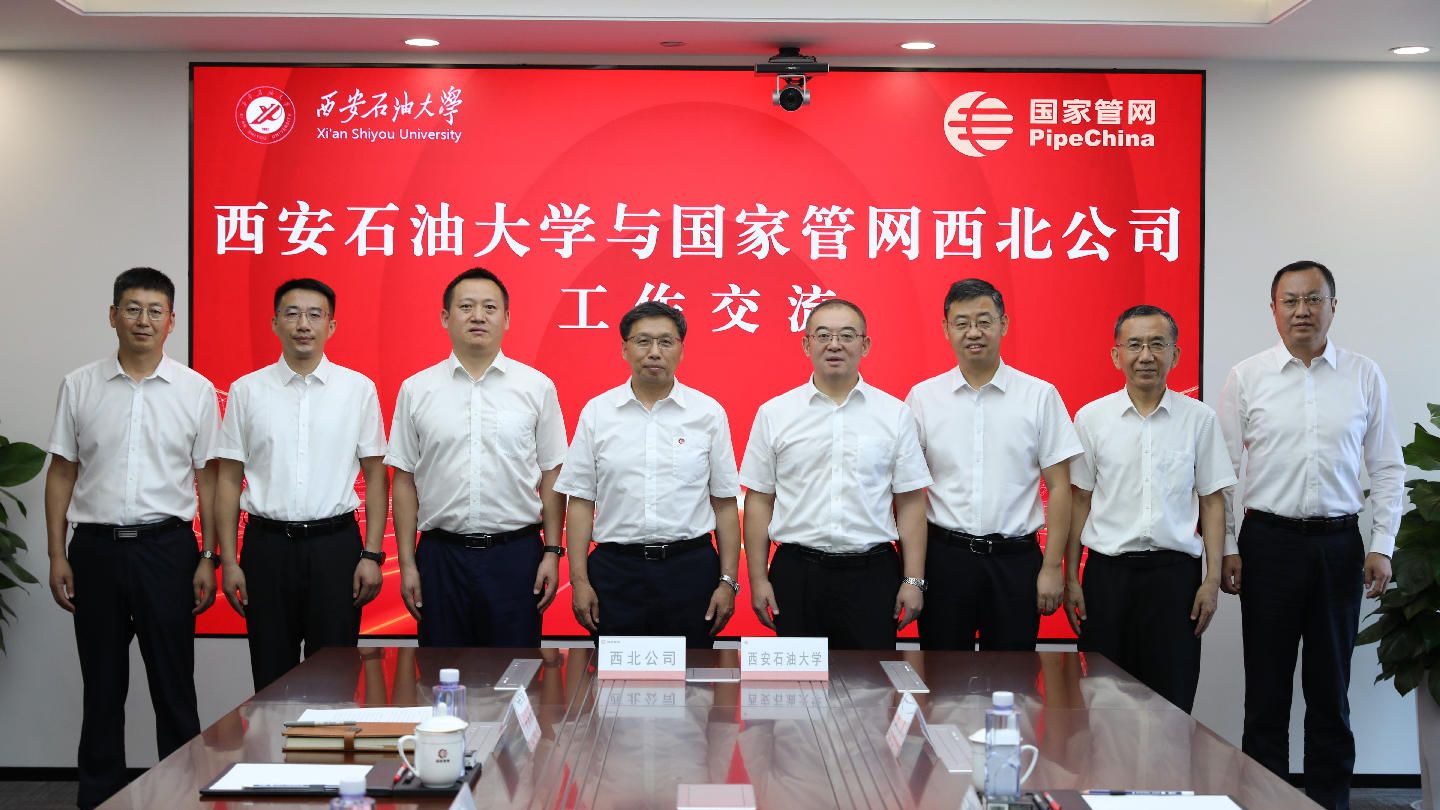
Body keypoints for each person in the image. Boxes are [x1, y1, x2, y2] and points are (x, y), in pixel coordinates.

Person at [1218, 260, 1403, 810]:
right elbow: (1223, 473)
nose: (1303, 310)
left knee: (1330, 691)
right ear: (1273, 310)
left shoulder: (1364, 375)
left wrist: (1381, 544)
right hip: (1267, 545)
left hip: (1338, 547)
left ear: (1333, 307)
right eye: (1291, 300)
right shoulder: (1247, 377)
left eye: (1313, 299)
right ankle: (1264, 800)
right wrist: (1228, 545)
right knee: (1266, 692)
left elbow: (1387, 467)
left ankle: (1329, 801)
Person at [43, 267, 220, 810]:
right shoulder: (79, 385)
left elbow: (209, 479)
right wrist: (56, 553)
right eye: (133, 308)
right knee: (101, 685)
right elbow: (62, 472)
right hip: (94, 551)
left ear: (172, 321)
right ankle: (99, 796)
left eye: (154, 311)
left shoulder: (195, 390)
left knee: (174, 684)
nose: (143, 320)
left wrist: (209, 555)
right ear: (113, 315)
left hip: (167, 550)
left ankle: (182, 794)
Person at [214, 278, 389, 692]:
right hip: (266, 550)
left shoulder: (358, 389)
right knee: (270, 680)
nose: (303, 324)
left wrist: (372, 554)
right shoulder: (247, 391)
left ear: (331, 325)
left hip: (335, 550)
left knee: (334, 681)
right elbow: (228, 479)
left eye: (314, 315)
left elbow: (376, 475)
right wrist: (230, 561)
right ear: (275, 323)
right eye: (292, 314)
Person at [1065, 305, 1236, 712]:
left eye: (1157, 345)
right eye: (1135, 345)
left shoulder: (1199, 420)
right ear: (1116, 355)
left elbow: (1212, 502)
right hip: (1108, 579)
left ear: (1175, 355)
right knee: (1103, 705)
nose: (1146, 356)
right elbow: (1079, 500)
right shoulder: (1091, 419)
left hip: (1174, 581)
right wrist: (1070, 577)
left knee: (1171, 703)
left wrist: (1211, 581)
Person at [384, 267, 567, 646]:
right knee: (441, 672)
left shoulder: (537, 387)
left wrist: (552, 552)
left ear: (507, 319)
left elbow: (552, 474)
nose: (478, 316)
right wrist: (407, 564)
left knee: (516, 674)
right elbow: (404, 480)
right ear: (445, 317)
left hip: (516, 556)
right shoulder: (417, 389)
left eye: (489, 307)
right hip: (440, 557)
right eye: (466, 307)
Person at [741, 299, 931, 650]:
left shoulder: (894, 414)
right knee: (799, 682)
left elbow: (909, 502)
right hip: (797, 573)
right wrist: (758, 579)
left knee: (871, 681)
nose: (835, 344)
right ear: (806, 344)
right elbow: (759, 500)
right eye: (823, 335)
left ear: (865, 345)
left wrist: (913, 579)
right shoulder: (775, 413)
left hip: (872, 575)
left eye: (846, 335)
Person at [904, 278, 1081, 651]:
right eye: (962, 323)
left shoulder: (1039, 395)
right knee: (942, 674)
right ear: (946, 329)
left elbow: (1060, 487)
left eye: (984, 321)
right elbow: (909, 492)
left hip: (1015, 562)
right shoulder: (923, 398)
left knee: (1013, 675)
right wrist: (913, 576)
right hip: (945, 560)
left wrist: (1052, 567)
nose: (974, 332)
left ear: (1003, 324)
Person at [556, 302, 742, 648]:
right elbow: (580, 501)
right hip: (616, 573)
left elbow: (725, 504)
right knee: (616, 677)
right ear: (624, 348)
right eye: (643, 341)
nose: (654, 351)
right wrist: (579, 582)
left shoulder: (708, 413)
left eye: (665, 342)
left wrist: (727, 581)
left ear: (681, 349)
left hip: (690, 571)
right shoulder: (597, 413)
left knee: (691, 677)